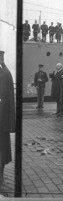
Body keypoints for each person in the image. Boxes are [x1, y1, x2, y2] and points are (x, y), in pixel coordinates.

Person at [0, 50, 15, 184]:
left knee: (2, 149)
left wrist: (9, 123)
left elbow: (8, 100)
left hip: (1, 121)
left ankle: (1, 176)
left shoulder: (5, 74)